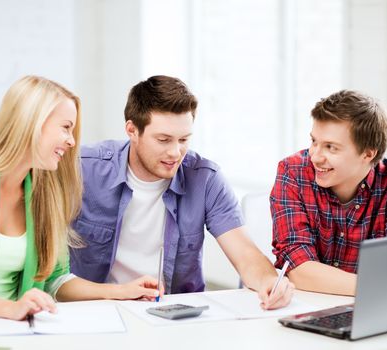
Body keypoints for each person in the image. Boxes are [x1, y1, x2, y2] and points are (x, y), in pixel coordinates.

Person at [0, 76, 160, 321]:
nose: (72, 141)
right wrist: (12, 308)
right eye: (65, 127)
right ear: (32, 123)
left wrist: (120, 291)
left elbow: (56, 280)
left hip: (20, 332)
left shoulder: (45, 191)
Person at [70, 75, 293, 310]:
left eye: (184, 139)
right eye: (163, 140)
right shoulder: (83, 169)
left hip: (174, 313)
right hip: (98, 308)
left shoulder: (205, 178)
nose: (175, 152)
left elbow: (246, 254)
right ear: (132, 130)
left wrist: (269, 281)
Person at [270, 90, 387, 296]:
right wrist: (386, 286)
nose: (315, 156)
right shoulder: (293, 171)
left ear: (368, 153)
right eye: (314, 142)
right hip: (304, 304)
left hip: (366, 307)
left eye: (331, 147)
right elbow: (300, 269)